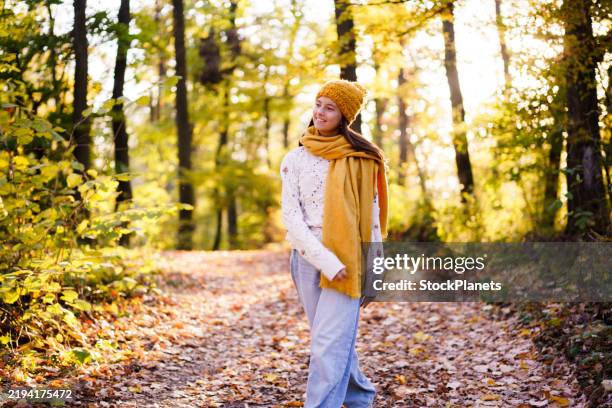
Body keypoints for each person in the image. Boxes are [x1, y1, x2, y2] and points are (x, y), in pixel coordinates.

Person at [280, 79, 389, 408]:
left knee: (327, 346)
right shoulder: (294, 159)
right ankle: (361, 398)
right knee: (330, 341)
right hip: (306, 259)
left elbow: (372, 220)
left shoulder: (364, 159)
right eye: (318, 104)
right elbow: (291, 218)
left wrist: (376, 269)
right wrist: (325, 260)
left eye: (330, 107)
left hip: (350, 259)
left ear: (345, 116)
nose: (321, 112)